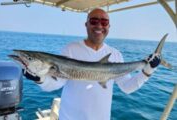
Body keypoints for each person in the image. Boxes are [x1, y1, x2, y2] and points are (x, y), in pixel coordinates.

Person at [24, 8, 161, 120]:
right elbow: (56, 83)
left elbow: (127, 87)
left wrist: (148, 71)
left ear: (109, 26)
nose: (99, 25)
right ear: (86, 24)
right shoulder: (71, 49)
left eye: (104, 22)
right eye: (94, 21)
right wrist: (40, 79)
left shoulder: (116, 54)